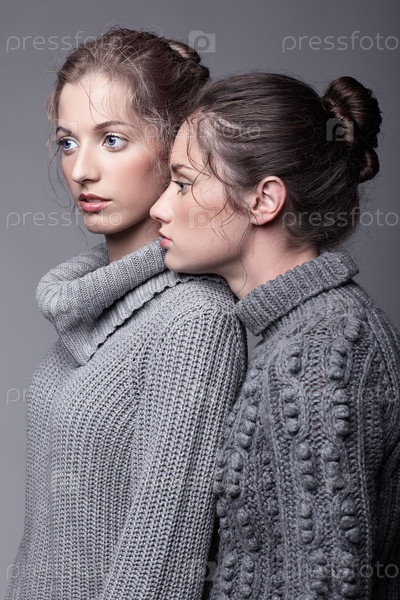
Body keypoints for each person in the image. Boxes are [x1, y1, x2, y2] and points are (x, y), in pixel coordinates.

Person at [6, 28, 247, 600]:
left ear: (177, 145)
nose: (81, 170)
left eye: (112, 140)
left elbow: (162, 564)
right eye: (68, 142)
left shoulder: (194, 320)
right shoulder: (87, 303)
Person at [150, 72, 400, 598]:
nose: (159, 207)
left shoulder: (322, 351)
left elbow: (326, 587)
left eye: (184, 183)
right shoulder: (302, 332)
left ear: (264, 201)